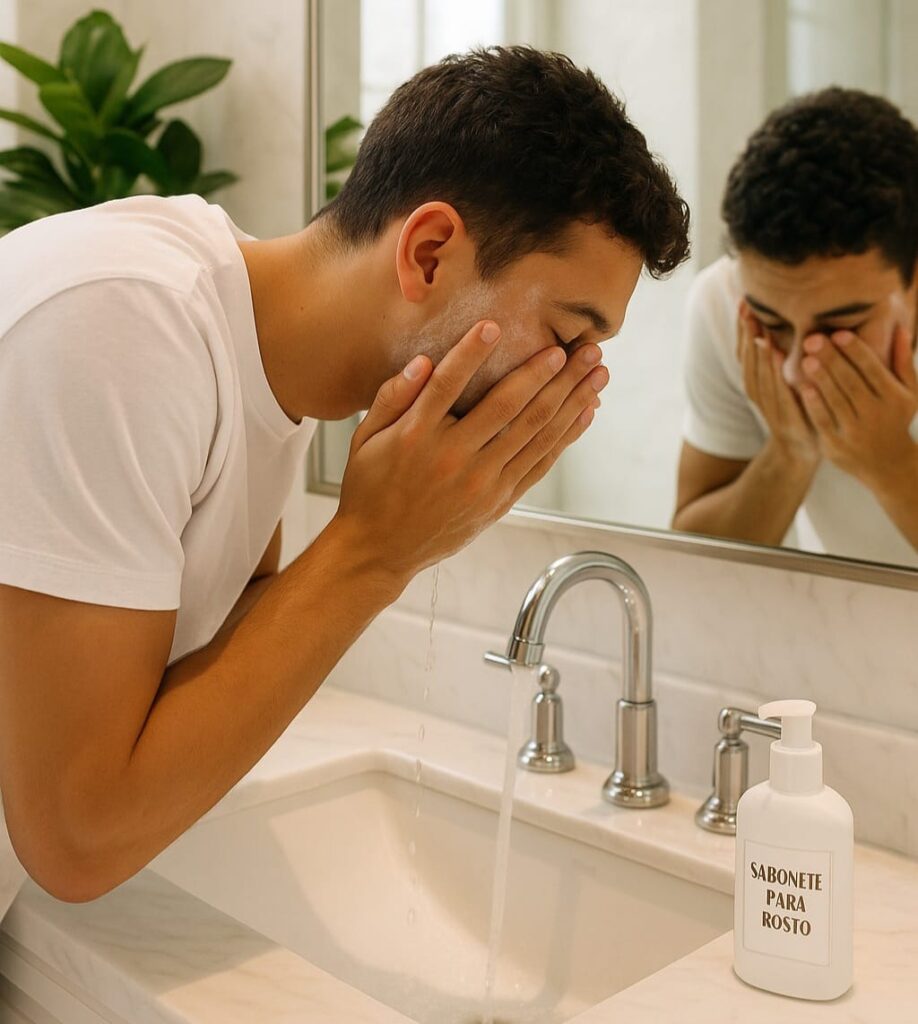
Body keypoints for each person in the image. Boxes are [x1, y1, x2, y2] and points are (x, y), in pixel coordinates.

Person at [0, 46, 688, 912]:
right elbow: (75, 839)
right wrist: (373, 550)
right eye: (566, 331)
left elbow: (208, 648)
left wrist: (392, 532)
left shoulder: (259, 363)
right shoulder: (128, 322)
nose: (575, 379)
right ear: (430, 252)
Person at [673, 88, 918, 565]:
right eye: (772, 323)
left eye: (842, 325)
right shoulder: (723, 304)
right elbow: (696, 561)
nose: (796, 367)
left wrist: (890, 464)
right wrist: (789, 453)